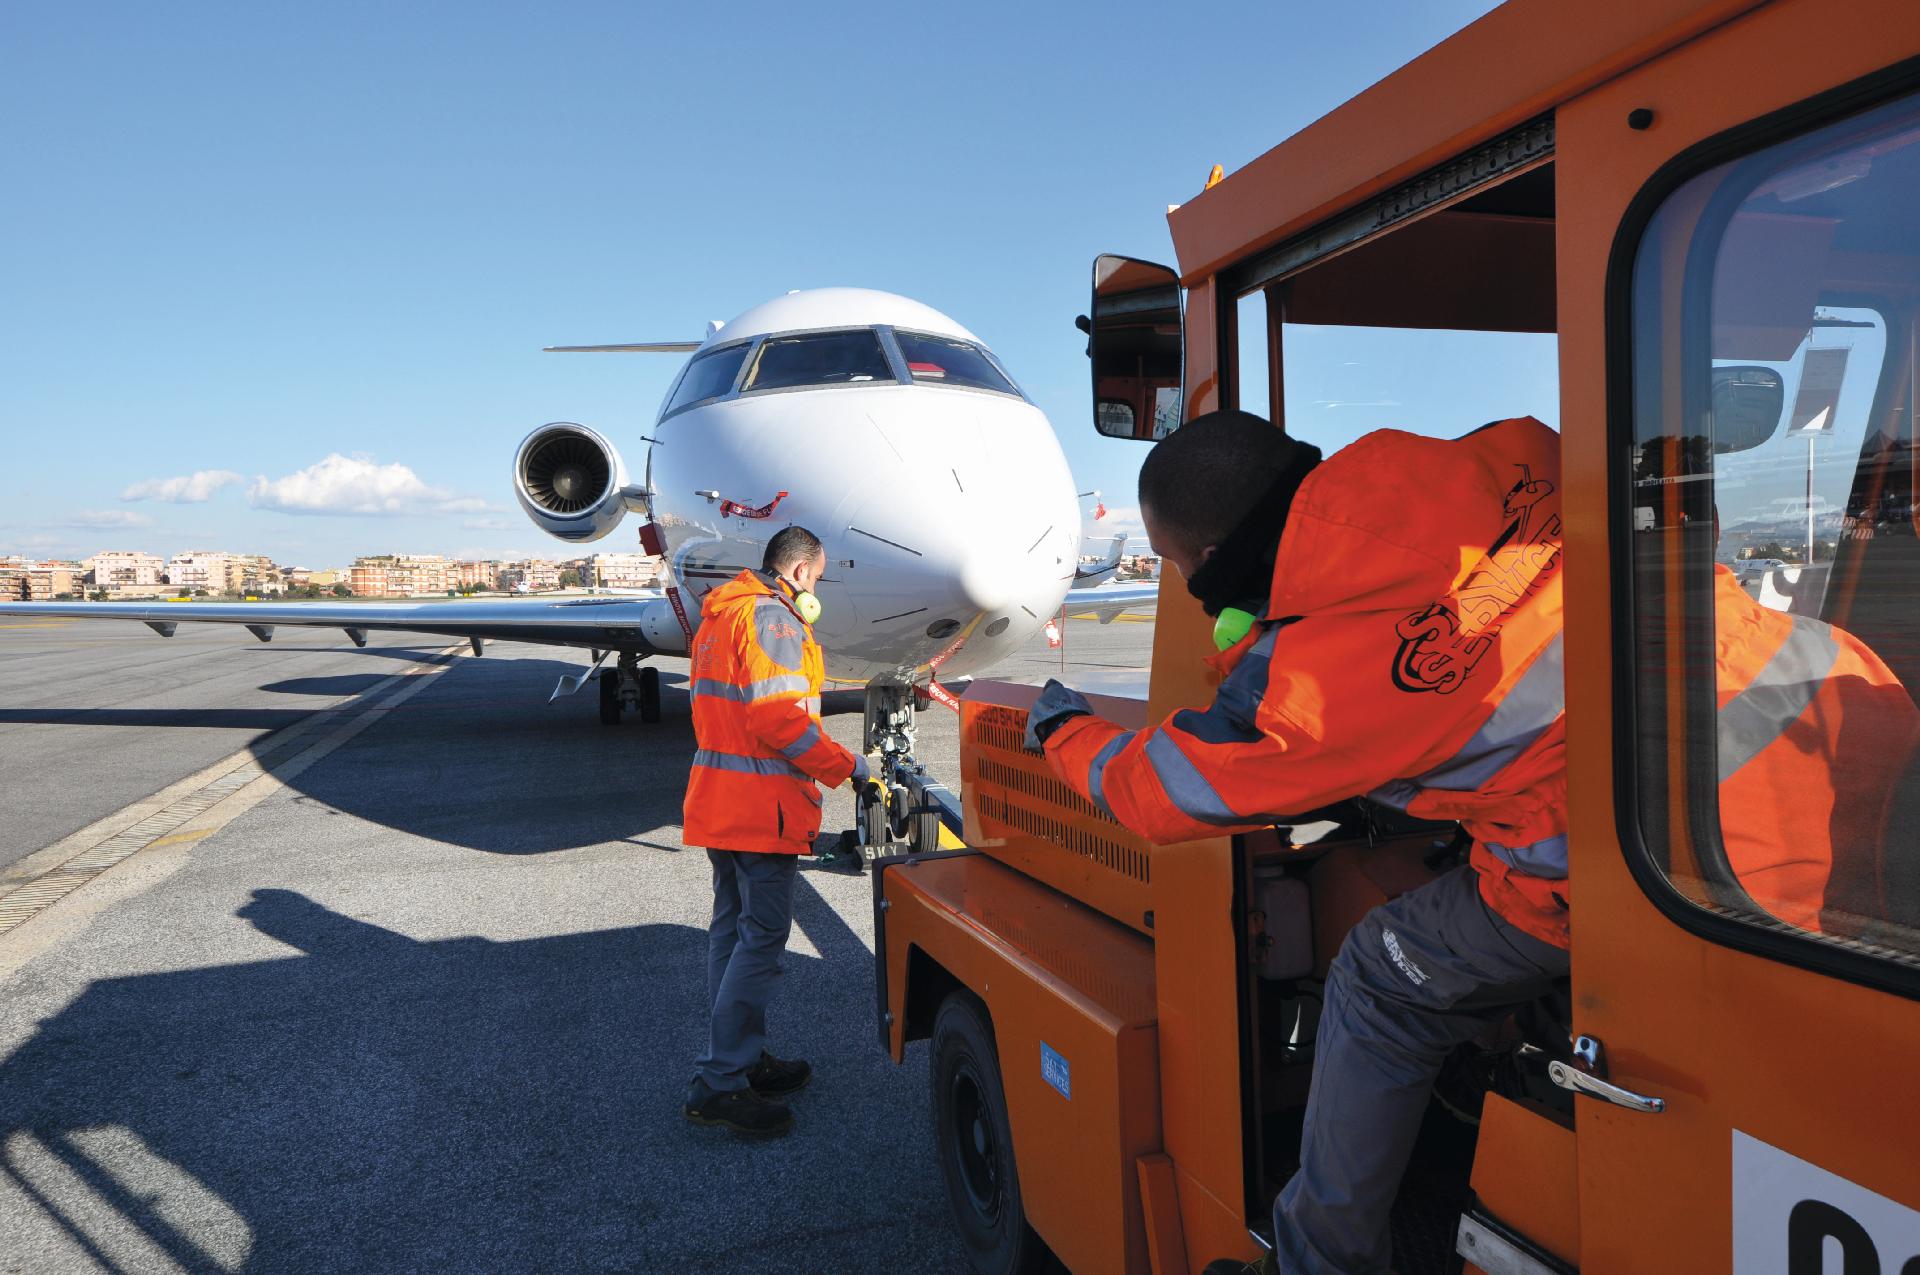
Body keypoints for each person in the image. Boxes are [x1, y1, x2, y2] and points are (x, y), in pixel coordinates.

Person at [1029, 410, 1918, 1273]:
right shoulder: (1486, 456)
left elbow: (1159, 791)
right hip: (1844, 707)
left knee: (1381, 974)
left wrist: (1061, 725)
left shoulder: (1309, 680)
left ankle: (1316, 1261)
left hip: (1705, 847)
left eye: (1185, 569)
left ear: (1214, 567)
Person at [682, 525, 870, 1137]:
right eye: (817, 578)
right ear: (798, 572)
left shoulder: (721, 616)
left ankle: (739, 1057)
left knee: (731, 935)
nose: (816, 590)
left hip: (721, 801)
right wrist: (849, 767)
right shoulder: (776, 621)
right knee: (762, 939)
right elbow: (780, 720)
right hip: (762, 808)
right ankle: (721, 1082)